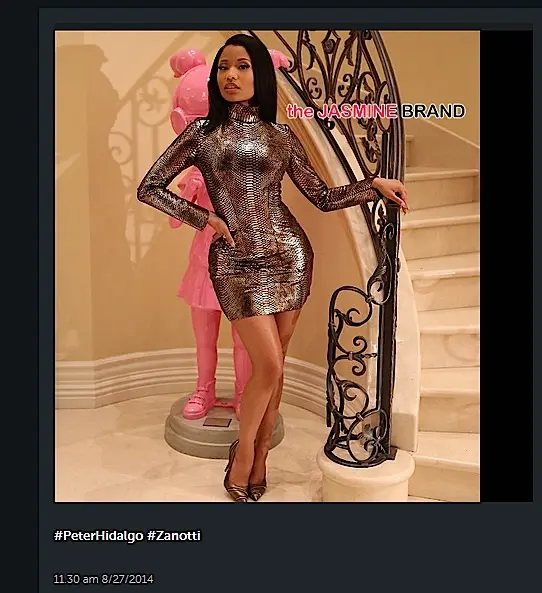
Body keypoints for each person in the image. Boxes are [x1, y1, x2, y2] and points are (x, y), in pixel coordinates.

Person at [137, 33, 408, 502]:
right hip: (234, 262)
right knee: (268, 363)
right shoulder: (200, 134)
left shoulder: (280, 135)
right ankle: (244, 452)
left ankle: (261, 452)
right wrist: (205, 219)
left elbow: (322, 196)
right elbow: (150, 187)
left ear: (260, 75)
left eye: (242, 66)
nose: (231, 75)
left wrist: (372, 185)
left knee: (274, 367)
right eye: (224, 67)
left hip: (290, 257)